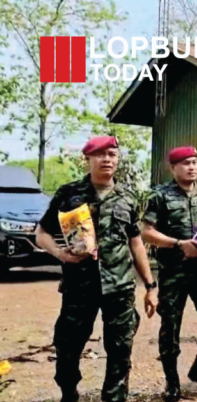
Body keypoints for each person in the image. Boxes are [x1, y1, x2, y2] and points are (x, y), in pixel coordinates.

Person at [35, 136, 158, 402]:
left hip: (120, 287)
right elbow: (41, 233)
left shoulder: (128, 197)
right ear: (88, 159)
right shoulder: (69, 194)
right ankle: (69, 390)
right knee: (67, 347)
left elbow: (136, 242)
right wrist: (60, 254)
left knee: (120, 350)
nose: (107, 159)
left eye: (112, 154)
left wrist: (150, 286)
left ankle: (114, 397)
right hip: (79, 287)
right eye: (100, 154)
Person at [141, 146, 197, 401]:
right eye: (185, 163)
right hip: (173, 271)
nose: (192, 167)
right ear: (173, 168)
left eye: (194, 162)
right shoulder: (160, 195)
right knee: (170, 326)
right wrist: (179, 244)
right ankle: (172, 381)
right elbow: (146, 232)